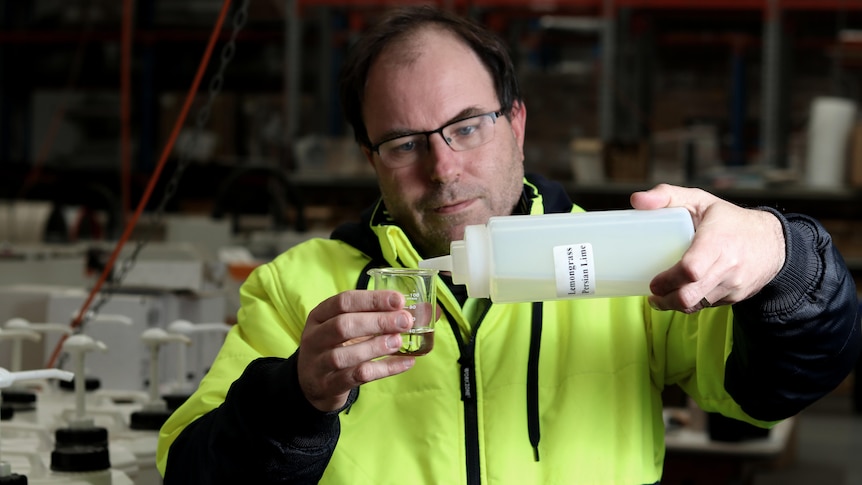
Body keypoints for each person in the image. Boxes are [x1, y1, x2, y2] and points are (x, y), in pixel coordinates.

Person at [157, 6, 860, 484]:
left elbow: (774, 389)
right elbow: (190, 470)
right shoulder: (298, 288)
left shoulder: (627, 264)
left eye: (468, 126)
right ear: (371, 157)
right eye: (405, 142)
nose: (443, 168)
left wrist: (786, 259)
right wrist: (293, 400)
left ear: (516, 124)